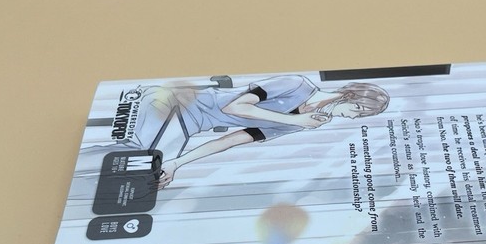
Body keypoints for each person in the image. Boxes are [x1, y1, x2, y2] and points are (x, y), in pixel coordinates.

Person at [77, 75, 390, 188]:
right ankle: (77, 168)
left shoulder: (308, 122)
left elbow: (235, 139)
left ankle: (80, 178)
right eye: (359, 111)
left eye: (361, 116)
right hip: (175, 103)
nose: (354, 117)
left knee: (151, 171)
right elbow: (235, 107)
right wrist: (296, 121)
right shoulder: (297, 85)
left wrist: (177, 163)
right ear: (350, 97)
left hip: (187, 126)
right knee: (141, 158)